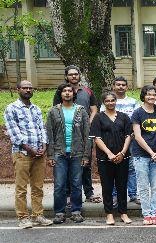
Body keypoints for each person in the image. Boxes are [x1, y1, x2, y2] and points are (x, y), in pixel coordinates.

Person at [4, 80, 53, 228]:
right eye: (24, 88)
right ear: (18, 89)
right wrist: (29, 149)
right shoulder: (11, 108)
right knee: (21, 188)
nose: (28, 90)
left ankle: (38, 215)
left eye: (30, 88)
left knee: (38, 187)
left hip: (39, 154)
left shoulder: (36, 109)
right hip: (22, 153)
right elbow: (14, 133)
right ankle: (23, 217)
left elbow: (42, 129)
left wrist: (44, 146)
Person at [52, 65, 99, 204]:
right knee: (66, 165)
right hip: (65, 135)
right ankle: (67, 194)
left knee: (86, 163)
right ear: (66, 76)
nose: (73, 76)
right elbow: (55, 111)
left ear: (79, 75)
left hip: (84, 134)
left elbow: (94, 109)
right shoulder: (61, 91)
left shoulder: (87, 91)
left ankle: (89, 193)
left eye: (76, 74)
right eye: (71, 74)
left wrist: (88, 126)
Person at [47, 83, 91, 224]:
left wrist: (86, 155)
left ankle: (76, 210)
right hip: (59, 153)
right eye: (64, 91)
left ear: (74, 94)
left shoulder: (81, 110)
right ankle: (59, 212)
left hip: (77, 153)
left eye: (69, 91)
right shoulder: (53, 111)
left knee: (76, 183)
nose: (67, 93)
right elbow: (49, 134)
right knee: (59, 184)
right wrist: (50, 155)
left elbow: (87, 134)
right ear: (60, 94)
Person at [90, 92, 133, 225]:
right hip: (105, 158)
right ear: (104, 102)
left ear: (116, 101)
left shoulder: (124, 117)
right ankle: (109, 214)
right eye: (107, 101)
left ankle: (123, 213)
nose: (110, 103)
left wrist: (122, 153)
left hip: (122, 157)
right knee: (107, 187)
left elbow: (128, 136)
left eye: (112, 100)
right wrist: (109, 153)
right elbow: (97, 138)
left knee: (122, 186)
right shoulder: (98, 118)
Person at [100, 77, 140, 206]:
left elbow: (137, 120)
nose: (121, 87)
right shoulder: (106, 103)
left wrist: (132, 134)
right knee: (114, 167)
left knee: (131, 167)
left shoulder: (133, 102)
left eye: (123, 85)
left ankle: (133, 194)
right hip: (111, 140)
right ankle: (115, 196)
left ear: (127, 87)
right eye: (118, 85)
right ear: (114, 86)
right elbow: (102, 120)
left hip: (131, 139)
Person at [130, 85, 156, 225]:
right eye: (148, 94)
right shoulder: (137, 113)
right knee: (143, 186)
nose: (151, 97)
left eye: (154, 94)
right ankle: (147, 214)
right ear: (143, 96)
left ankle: (154, 212)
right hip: (141, 155)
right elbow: (137, 136)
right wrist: (151, 152)